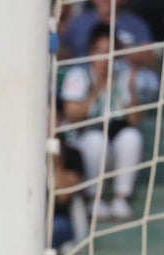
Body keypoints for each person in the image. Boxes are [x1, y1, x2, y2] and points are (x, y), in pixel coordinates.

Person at [60, 23, 142, 221]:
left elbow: (134, 120)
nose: (105, 58)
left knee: (132, 137)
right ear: (91, 51)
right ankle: (93, 199)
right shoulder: (79, 75)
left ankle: (120, 198)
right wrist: (97, 88)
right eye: (100, 51)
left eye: (109, 51)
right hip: (84, 140)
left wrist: (131, 92)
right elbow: (73, 116)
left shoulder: (123, 75)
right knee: (97, 141)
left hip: (115, 137)